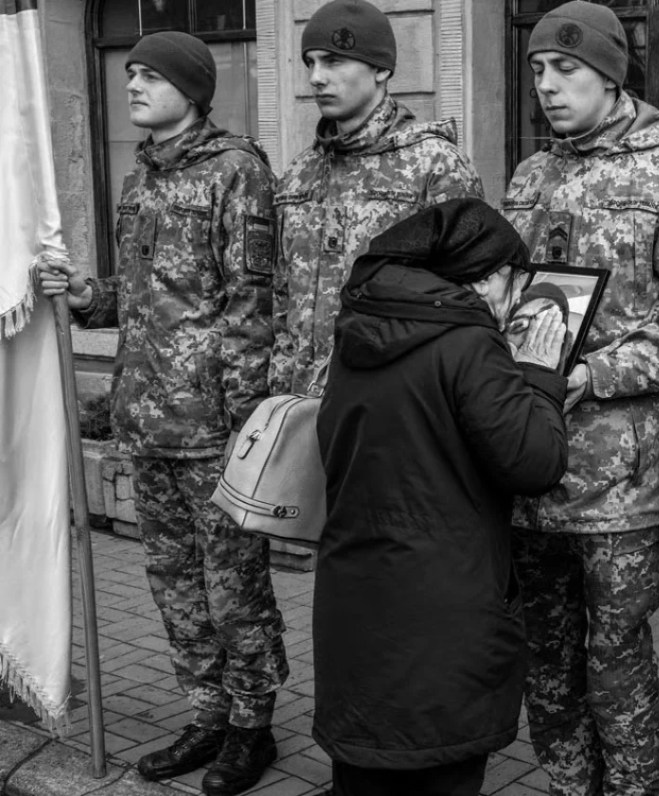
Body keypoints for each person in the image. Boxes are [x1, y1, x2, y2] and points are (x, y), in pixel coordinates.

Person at [36, 31, 286, 796]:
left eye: (150, 76)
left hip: (212, 429)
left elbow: (252, 305)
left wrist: (245, 424)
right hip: (146, 422)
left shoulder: (236, 173)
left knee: (233, 586)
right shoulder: (142, 180)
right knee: (173, 583)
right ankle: (205, 713)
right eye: (132, 72)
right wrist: (89, 296)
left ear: (193, 89)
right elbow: (148, 297)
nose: (134, 84)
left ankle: (252, 726)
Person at [502, 2, 659, 792]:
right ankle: (572, 784)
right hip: (532, 464)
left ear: (610, 73)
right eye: (538, 70)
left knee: (615, 655)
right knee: (547, 655)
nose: (547, 85)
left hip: (619, 480)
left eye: (566, 69)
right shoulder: (533, 175)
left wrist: (595, 374)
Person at [313, 198, 570, 796]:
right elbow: (534, 461)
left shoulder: (362, 327)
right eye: (514, 280)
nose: (515, 298)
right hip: (443, 609)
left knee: (366, 768)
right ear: (486, 277)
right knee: (438, 771)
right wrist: (536, 372)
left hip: (358, 596)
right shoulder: (467, 344)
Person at [270, 0, 483, 396]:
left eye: (334, 62)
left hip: (389, 416)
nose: (316, 78)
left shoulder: (434, 166)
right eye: (310, 63)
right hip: (301, 409)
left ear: (381, 69)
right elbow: (283, 303)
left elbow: (467, 308)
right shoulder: (300, 174)